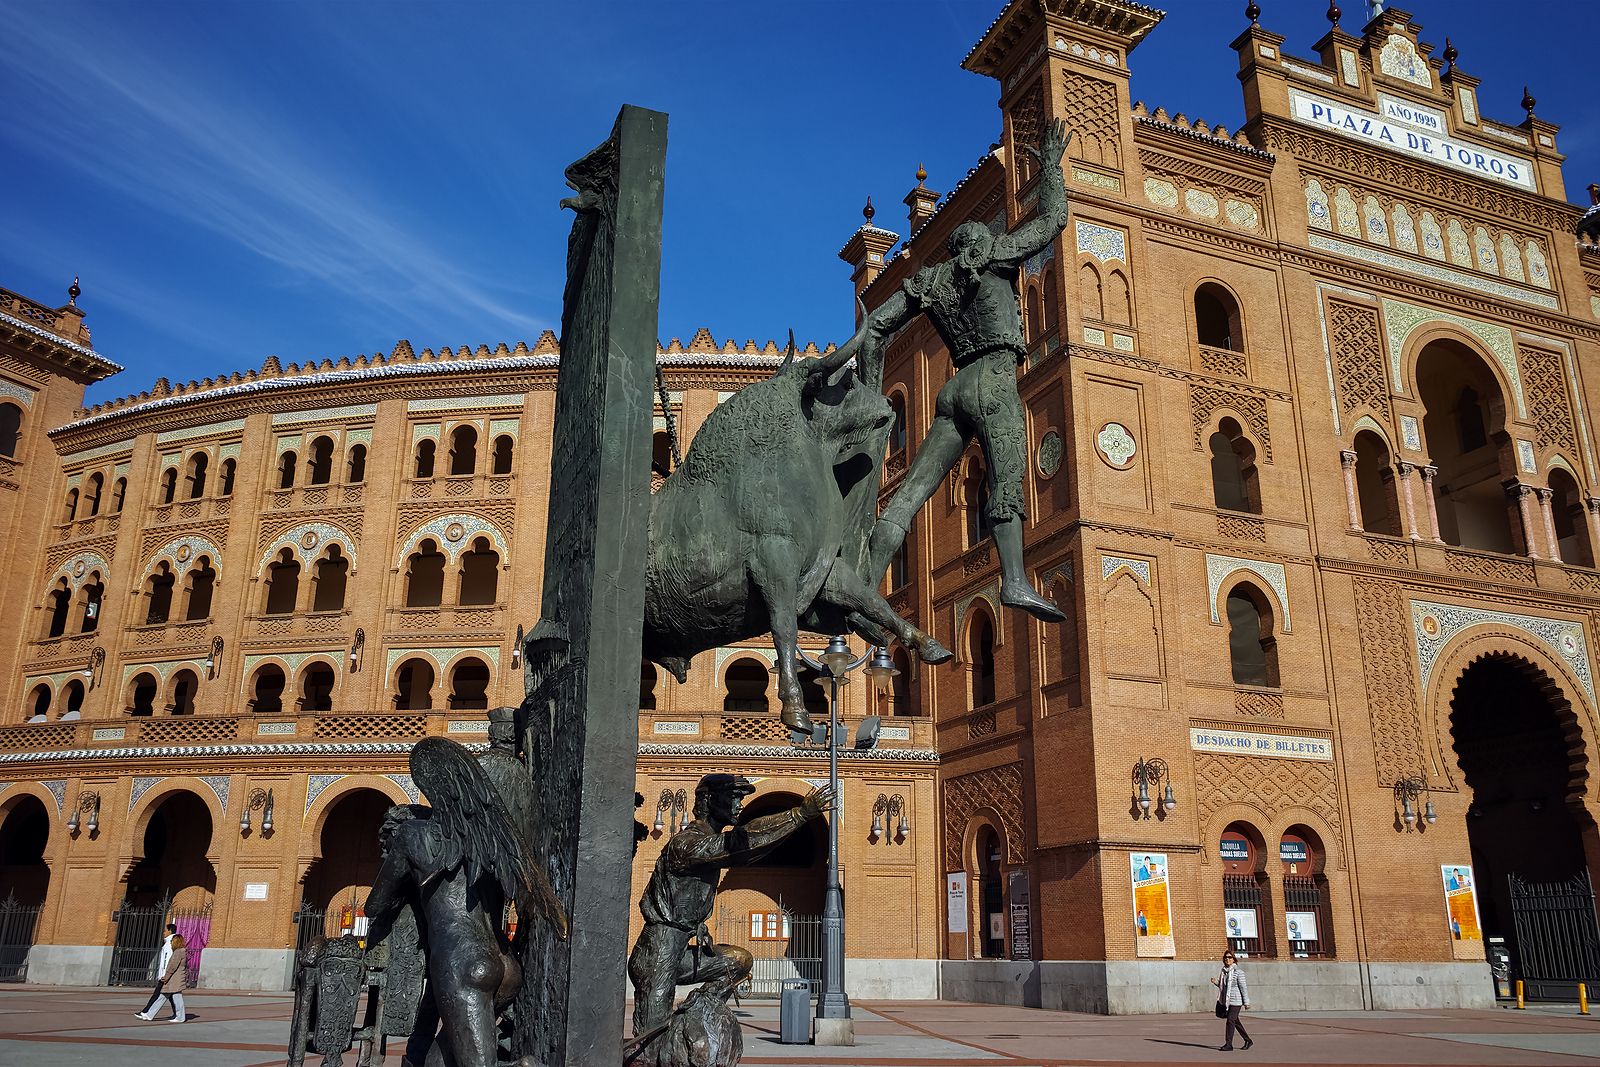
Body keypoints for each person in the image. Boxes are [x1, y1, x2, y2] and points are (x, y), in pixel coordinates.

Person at [838, 118, 1074, 626]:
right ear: (981, 244)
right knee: (1007, 479)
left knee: (907, 497)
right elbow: (1052, 220)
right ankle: (1013, 578)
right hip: (992, 380)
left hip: (953, 389)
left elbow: (875, 325)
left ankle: (860, 585)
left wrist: (870, 403)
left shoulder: (935, 279)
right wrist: (1050, 167)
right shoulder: (995, 256)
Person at [627, 774, 832, 1038]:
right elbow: (737, 845)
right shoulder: (686, 842)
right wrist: (799, 815)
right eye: (733, 798)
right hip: (658, 950)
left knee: (738, 961)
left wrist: (696, 924)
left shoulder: (705, 842)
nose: (739, 805)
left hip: (680, 946)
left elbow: (749, 850)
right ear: (710, 800)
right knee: (649, 1038)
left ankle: (695, 1010)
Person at [1210, 949, 1252, 1052]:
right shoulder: (1224, 972)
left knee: (1230, 1020)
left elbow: (1243, 988)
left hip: (1236, 1001)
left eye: (1229, 957)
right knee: (1235, 1021)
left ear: (1234, 959)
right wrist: (1216, 983)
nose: (1227, 959)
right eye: (1226, 958)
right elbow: (1223, 987)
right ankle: (1248, 1040)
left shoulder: (1238, 972)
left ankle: (1229, 1044)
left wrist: (1246, 1002)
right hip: (1227, 1001)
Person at [134, 923, 177, 1020]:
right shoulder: (169, 942)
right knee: (172, 996)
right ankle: (178, 1013)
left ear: (170, 931)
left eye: (165, 930)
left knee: (157, 994)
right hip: (167, 974)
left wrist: (164, 974)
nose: (163, 933)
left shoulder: (170, 943)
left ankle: (145, 1011)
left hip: (165, 975)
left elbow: (167, 960)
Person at [156, 933, 190, 1023]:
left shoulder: (178, 952)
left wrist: (166, 977)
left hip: (175, 979)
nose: (170, 943)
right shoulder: (182, 951)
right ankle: (149, 1014)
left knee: (176, 998)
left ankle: (180, 1017)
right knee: (166, 996)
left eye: (172, 941)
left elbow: (172, 967)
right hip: (176, 978)